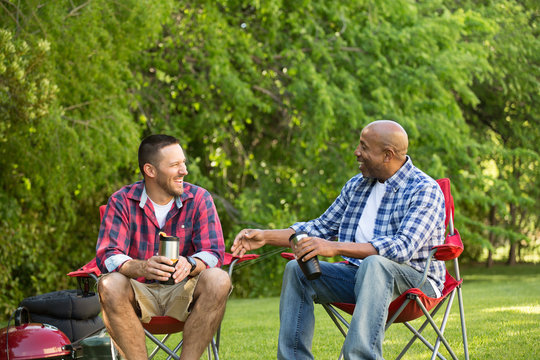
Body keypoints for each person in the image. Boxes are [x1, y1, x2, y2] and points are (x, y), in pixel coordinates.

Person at [231, 120, 446, 360]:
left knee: (375, 263)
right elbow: (319, 228)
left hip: (415, 285)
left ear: (388, 155)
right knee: (296, 269)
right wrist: (265, 236)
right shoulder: (357, 186)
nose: (357, 152)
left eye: (364, 147)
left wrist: (333, 247)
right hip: (359, 279)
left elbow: (401, 248)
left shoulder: (424, 189)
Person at [96, 134, 231, 360]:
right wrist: (142, 268)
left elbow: (214, 252)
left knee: (218, 278)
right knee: (109, 283)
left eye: (183, 163)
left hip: (184, 292)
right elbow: (108, 255)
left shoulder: (199, 198)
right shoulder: (121, 201)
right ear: (150, 170)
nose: (184, 170)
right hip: (138, 293)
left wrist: (190, 264)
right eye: (175, 165)